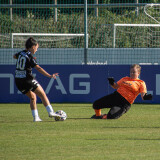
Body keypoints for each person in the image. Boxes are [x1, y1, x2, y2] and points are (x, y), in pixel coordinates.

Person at [13, 37, 61, 122]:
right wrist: (49, 75)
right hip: (27, 79)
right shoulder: (29, 56)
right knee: (42, 94)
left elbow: (14, 56)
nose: (36, 50)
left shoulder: (21, 53)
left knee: (32, 97)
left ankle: (36, 118)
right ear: (33, 47)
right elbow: (38, 68)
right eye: (37, 48)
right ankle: (51, 112)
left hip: (18, 81)